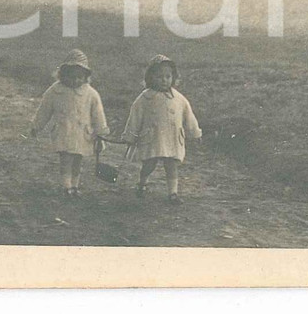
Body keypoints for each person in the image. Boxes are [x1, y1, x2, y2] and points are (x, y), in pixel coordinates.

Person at [122, 54, 202, 204]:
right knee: (149, 164)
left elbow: (188, 116)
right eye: (159, 77)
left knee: (171, 165)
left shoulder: (179, 99)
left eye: (168, 76)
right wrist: (130, 136)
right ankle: (142, 183)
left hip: (172, 138)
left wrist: (195, 132)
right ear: (150, 78)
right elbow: (135, 117)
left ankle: (173, 193)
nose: (164, 80)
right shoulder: (145, 98)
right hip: (153, 138)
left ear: (173, 77)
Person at [30, 50, 110, 197]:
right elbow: (44, 110)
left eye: (79, 77)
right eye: (71, 76)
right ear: (62, 75)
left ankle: (75, 185)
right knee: (66, 160)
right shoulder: (55, 91)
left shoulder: (91, 94)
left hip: (82, 134)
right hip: (64, 132)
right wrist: (37, 126)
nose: (75, 81)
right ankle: (66, 186)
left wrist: (101, 133)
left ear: (86, 77)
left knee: (77, 161)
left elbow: (98, 114)